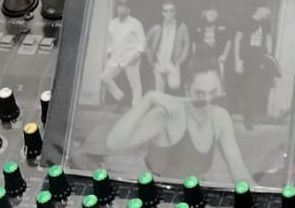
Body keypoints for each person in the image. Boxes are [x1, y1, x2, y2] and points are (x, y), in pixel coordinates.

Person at [102, 66, 251, 185]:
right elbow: (114, 142)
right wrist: (149, 99)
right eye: (199, 93)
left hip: (193, 194)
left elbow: (237, 168)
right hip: (160, 194)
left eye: (213, 92)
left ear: (221, 89)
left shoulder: (220, 116)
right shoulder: (168, 114)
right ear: (187, 90)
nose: (208, 100)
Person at [99, 0, 148, 105]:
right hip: (115, 59)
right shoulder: (112, 23)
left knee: (135, 85)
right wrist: (110, 53)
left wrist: (137, 54)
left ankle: (137, 107)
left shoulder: (135, 23)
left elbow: (142, 41)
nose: (121, 9)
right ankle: (121, 98)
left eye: (124, 7)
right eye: (119, 7)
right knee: (104, 78)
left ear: (128, 10)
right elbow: (109, 41)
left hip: (131, 58)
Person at [149, 0, 191, 93]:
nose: (169, 13)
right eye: (166, 11)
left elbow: (187, 44)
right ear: (162, 13)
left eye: (171, 10)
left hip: (173, 62)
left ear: (175, 12)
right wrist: (150, 58)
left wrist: (181, 59)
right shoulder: (157, 26)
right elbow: (146, 41)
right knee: (159, 90)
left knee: (174, 85)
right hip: (159, 62)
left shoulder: (181, 26)